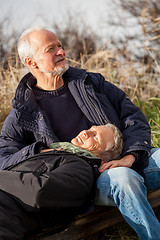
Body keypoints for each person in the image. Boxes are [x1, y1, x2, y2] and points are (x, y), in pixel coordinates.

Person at [0, 27, 160, 239]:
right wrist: (42, 151)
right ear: (31, 62)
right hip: (89, 181)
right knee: (124, 179)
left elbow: (134, 119)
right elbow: (4, 159)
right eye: (51, 49)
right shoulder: (22, 113)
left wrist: (130, 157)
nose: (61, 52)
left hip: (128, 158)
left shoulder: (90, 82)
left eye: (60, 45)